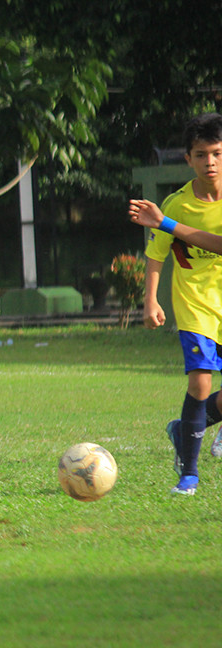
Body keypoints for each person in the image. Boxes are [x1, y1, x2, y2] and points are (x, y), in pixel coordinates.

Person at [129, 112, 222, 496]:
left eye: (217, 153)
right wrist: (150, 300)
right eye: (201, 155)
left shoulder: (168, 216)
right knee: (200, 381)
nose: (210, 162)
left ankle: (183, 430)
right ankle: (189, 474)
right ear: (188, 159)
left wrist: (164, 222)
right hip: (195, 302)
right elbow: (156, 254)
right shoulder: (177, 203)